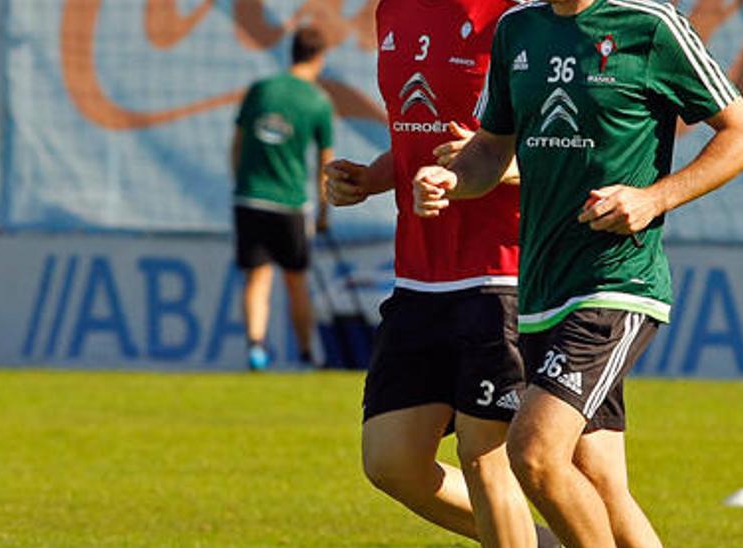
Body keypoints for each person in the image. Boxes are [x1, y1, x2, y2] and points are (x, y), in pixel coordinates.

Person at [413, 0, 743, 545]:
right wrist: (452, 178)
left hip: (616, 283)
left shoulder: (650, 25)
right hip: (541, 290)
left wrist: (652, 199)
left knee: (533, 453)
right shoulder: (517, 28)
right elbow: (490, 148)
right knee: (600, 484)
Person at [325, 1, 557, 546]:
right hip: (419, 279)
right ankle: (546, 541)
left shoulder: (518, 17)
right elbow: (418, 137)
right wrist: (371, 177)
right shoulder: (393, 12)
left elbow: (567, 146)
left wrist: (483, 170)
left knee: (484, 460)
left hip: (503, 276)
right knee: (392, 461)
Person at [231, 26, 334, 371]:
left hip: (250, 198)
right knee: (296, 280)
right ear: (319, 58)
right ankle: (307, 354)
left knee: (257, 278)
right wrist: (323, 211)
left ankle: (256, 348)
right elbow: (325, 162)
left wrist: (242, 184)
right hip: (290, 201)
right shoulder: (318, 101)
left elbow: (238, 144)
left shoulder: (261, 90)